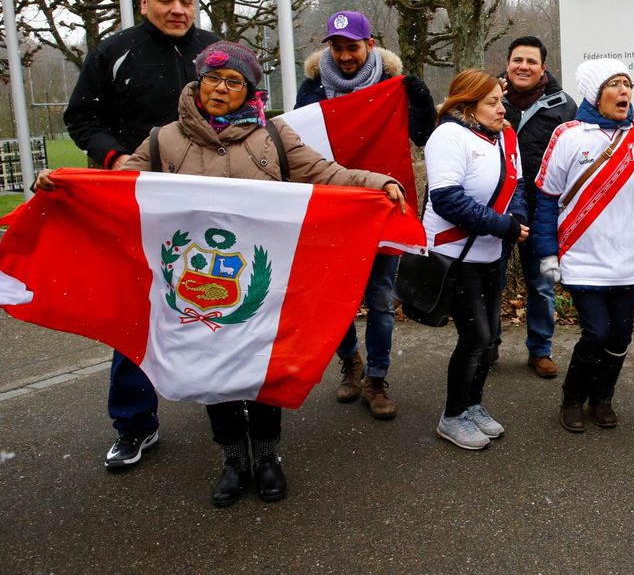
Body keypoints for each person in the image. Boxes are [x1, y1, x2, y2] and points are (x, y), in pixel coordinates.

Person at [40, 41, 405, 506]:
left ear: (249, 90)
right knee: (214, 372)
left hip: (259, 284)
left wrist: (379, 182)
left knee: (261, 369)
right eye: (212, 78)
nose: (220, 88)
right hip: (196, 288)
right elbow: (120, 188)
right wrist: (66, 186)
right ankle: (234, 458)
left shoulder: (272, 137)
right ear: (198, 81)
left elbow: (326, 173)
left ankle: (268, 456)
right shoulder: (165, 139)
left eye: (233, 82)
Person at [63, 0, 219, 471]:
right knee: (136, 308)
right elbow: (82, 118)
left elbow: (248, 112)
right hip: (135, 201)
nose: (178, 9)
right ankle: (135, 424)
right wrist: (115, 160)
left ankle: (225, 407)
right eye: (167, 0)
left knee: (215, 297)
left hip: (203, 201)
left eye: (187, 1)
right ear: (144, 2)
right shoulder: (113, 51)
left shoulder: (215, 51)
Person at [296, 11, 436, 419]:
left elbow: (424, 136)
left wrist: (420, 98)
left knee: (379, 300)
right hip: (332, 209)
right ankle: (350, 362)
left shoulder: (392, 86)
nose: (343, 56)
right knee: (336, 300)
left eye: (352, 47)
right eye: (336, 48)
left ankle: (376, 377)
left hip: (382, 204)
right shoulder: (311, 89)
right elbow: (298, 147)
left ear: (370, 45)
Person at [531, 58, 634, 433]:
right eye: (615, 84)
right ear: (595, 92)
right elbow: (546, 197)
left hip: (628, 258)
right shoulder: (568, 135)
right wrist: (547, 251)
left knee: (621, 335)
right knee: (596, 333)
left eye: (628, 84)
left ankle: (602, 397)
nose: (625, 91)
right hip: (582, 255)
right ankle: (573, 398)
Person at [423, 70, 528, 450]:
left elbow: (514, 185)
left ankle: (472, 405)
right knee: (476, 336)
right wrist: (503, 226)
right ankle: (452, 416)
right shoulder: (448, 136)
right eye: (493, 102)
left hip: (490, 253)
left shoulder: (503, 136)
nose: (503, 108)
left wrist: (519, 220)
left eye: (501, 100)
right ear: (467, 105)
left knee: (489, 338)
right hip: (455, 256)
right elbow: (447, 199)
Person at [499, 36, 577, 378]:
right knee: (491, 283)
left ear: (543, 68)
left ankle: (541, 350)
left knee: (541, 285)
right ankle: (487, 346)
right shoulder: (490, 100)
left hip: (543, 211)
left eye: (531, 61)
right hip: (497, 209)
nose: (523, 67)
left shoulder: (563, 105)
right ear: (507, 64)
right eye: (518, 60)